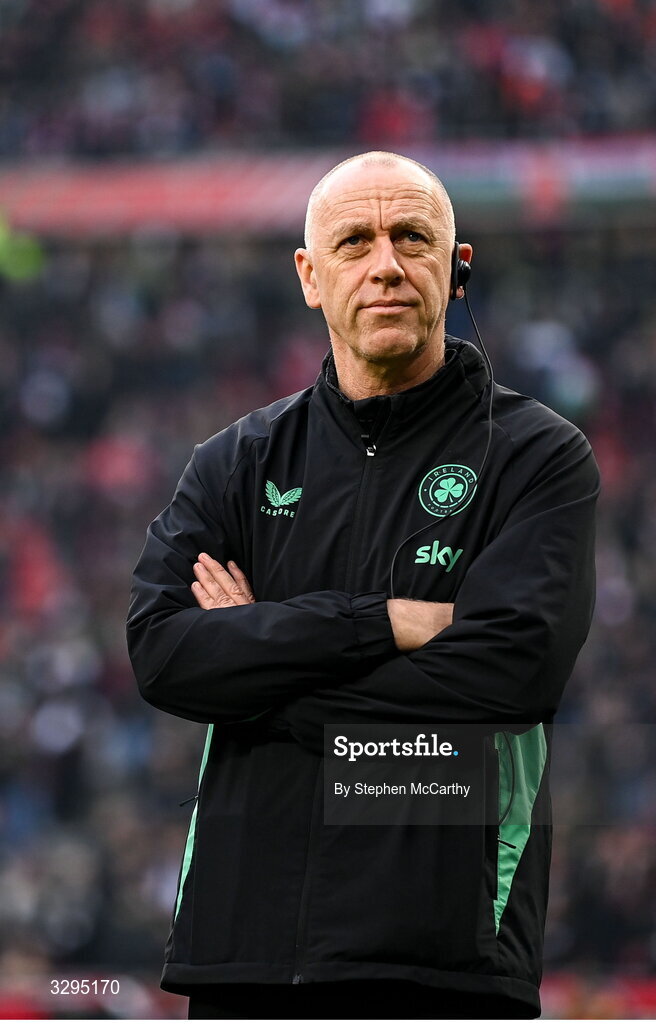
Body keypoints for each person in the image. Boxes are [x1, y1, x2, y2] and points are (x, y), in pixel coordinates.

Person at [126, 151, 599, 1020]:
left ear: (456, 267)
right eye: (354, 242)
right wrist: (380, 623)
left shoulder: (536, 456)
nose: (385, 264)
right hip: (242, 958)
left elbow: (512, 673)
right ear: (310, 276)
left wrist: (263, 671)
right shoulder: (236, 462)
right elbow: (162, 656)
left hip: (440, 962)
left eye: (410, 237)